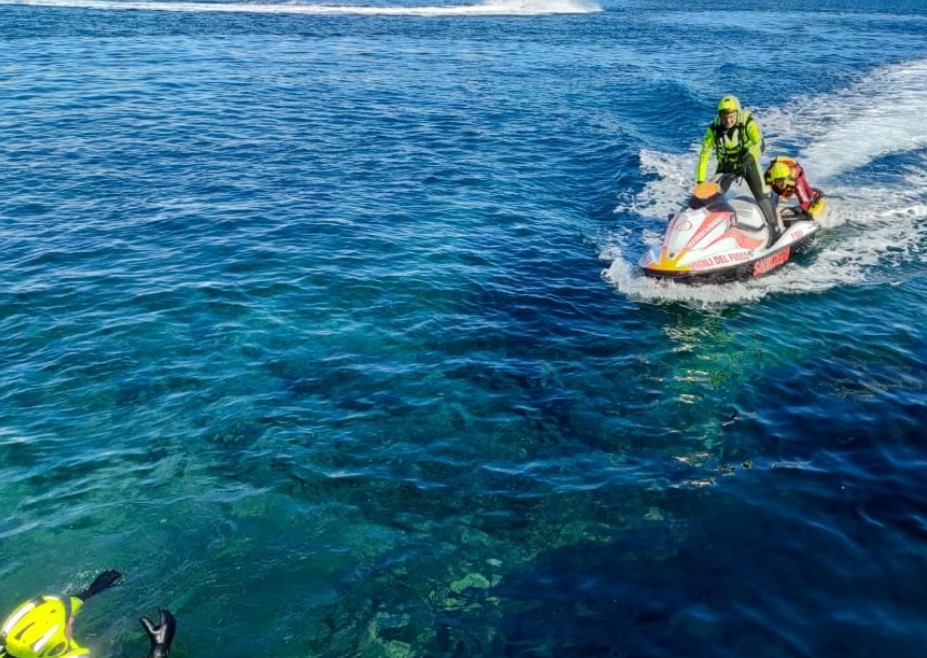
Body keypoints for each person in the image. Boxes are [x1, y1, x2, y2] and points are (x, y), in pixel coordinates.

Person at [0, 571, 175, 658]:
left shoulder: (12, 646)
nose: (72, 619)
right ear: (57, 642)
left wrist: (92, 591)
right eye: (68, 622)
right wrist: (159, 648)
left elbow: (68, 606)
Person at [696, 95, 783, 244]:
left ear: (737, 113)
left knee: (760, 195)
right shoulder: (713, 129)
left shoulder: (747, 122)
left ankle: (775, 230)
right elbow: (704, 155)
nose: (728, 120)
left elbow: (759, 143)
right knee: (710, 198)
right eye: (724, 116)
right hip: (726, 165)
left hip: (747, 161)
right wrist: (700, 181)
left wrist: (748, 160)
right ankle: (706, 234)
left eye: (731, 116)